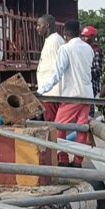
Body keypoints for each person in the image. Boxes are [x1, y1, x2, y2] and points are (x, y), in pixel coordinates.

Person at [37, 20, 93, 167]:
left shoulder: (65, 49)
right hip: (86, 95)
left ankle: (62, 158)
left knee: (58, 128)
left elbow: (57, 73)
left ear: (65, 34)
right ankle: (77, 161)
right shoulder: (89, 49)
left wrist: (41, 90)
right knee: (82, 128)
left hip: (71, 95)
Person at [35, 14, 65, 122]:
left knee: (51, 124)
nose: (37, 28)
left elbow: (56, 69)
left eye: (39, 25)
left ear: (47, 25)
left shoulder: (54, 41)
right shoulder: (51, 40)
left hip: (51, 93)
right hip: (49, 92)